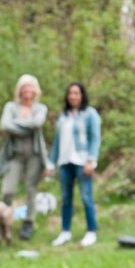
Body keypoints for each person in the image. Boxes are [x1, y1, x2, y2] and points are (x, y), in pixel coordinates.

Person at [0, 74, 53, 242]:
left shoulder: (40, 108)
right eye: (24, 87)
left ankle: (28, 222)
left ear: (36, 90)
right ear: (19, 90)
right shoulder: (10, 107)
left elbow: (37, 123)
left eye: (31, 87)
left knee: (31, 189)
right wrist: (25, 127)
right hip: (15, 155)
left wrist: (16, 125)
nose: (27, 90)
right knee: (8, 190)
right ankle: (3, 220)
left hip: (34, 155)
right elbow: (5, 125)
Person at [46, 82, 101, 247]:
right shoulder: (63, 116)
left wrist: (91, 160)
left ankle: (91, 231)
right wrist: (51, 163)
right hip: (65, 162)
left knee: (86, 197)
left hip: (82, 161)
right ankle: (65, 232)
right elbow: (57, 142)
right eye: (70, 93)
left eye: (76, 93)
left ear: (82, 95)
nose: (73, 96)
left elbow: (95, 138)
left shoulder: (90, 114)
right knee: (65, 198)